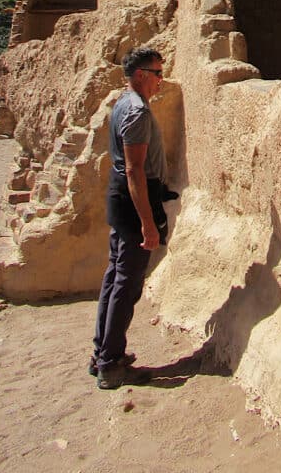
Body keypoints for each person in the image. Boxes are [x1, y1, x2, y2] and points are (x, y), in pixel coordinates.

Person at [90, 46, 169, 389]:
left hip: (121, 196)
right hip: (134, 200)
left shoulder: (123, 102)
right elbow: (136, 171)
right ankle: (110, 364)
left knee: (115, 275)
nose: (160, 81)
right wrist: (148, 223)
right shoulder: (136, 111)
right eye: (156, 74)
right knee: (127, 282)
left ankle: (103, 354)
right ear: (140, 75)